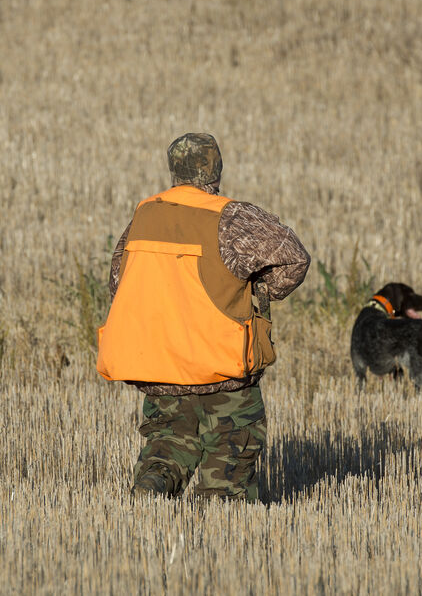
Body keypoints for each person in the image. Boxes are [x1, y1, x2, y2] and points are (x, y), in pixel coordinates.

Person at [97, 133, 310, 501]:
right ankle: (220, 529)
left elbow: (119, 282)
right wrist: (263, 290)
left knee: (163, 454)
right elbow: (293, 256)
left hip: (161, 374)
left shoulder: (144, 215)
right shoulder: (230, 217)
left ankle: (144, 512)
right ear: (216, 168)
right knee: (229, 467)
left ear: (174, 170)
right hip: (222, 377)